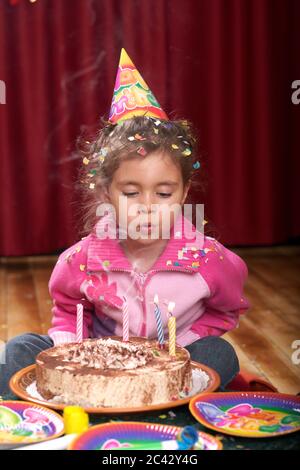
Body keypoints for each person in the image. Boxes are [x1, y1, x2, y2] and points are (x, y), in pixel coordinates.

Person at [0, 49, 250, 399]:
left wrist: (187, 345)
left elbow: (228, 309)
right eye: (131, 193)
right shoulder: (82, 260)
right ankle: (32, 418)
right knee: (20, 348)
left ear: (183, 192)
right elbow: (69, 307)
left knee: (219, 355)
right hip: (99, 368)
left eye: (163, 194)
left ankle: (174, 412)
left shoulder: (208, 260)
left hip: (172, 369)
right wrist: (72, 353)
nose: (147, 208)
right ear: (106, 193)